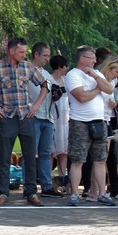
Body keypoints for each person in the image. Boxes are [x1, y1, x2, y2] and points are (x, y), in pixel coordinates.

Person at [0, 37, 47, 207]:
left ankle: (31, 192)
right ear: (11, 51)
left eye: (25, 52)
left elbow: (45, 85)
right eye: (21, 51)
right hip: (7, 117)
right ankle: (3, 192)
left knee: (30, 156)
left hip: (26, 116)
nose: (24, 54)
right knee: (5, 156)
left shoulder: (28, 66)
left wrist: (36, 105)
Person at [65, 46, 116, 207]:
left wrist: (95, 76)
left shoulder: (97, 74)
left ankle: (102, 193)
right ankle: (75, 194)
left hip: (99, 121)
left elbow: (109, 89)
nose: (95, 61)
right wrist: (97, 89)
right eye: (92, 58)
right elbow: (81, 97)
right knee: (78, 160)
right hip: (79, 122)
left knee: (100, 159)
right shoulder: (73, 75)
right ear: (82, 59)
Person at [27, 42, 63, 198]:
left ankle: (47, 185)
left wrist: (56, 94)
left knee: (46, 153)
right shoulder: (27, 71)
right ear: (36, 54)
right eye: (45, 55)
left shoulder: (47, 74)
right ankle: (29, 185)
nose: (47, 59)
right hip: (33, 116)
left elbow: (52, 93)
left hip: (48, 117)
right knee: (30, 153)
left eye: (49, 56)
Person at [97, 53, 118, 199]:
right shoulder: (98, 78)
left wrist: (116, 103)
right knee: (99, 157)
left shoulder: (113, 82)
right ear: (108, 68)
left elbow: (114, 97)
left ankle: (103, 189)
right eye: (116, 71)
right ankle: (96, 190)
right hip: (97, 119)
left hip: (107, 119)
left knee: (105, 156)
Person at [50, 55, 71, 189]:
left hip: (65, 118)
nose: (66, 69)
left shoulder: (66, 80)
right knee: (51, 152)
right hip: (53, 117)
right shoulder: (49, 79)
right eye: (65, 66)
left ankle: (63, 181)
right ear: (59, 66)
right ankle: (48, 182)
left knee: (64, 152)